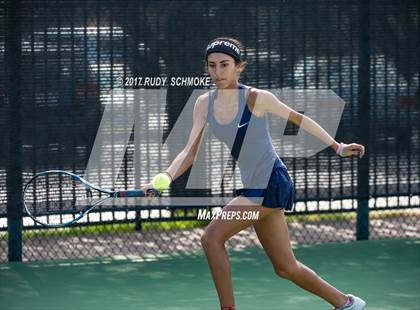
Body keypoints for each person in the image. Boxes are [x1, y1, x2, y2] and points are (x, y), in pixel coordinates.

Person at [142, 37, 366, 310]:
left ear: (239, 67)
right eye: (212, 66)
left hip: (271, 181)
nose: (218, 72)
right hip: (255, 185)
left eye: (225, 65)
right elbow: (189, 153)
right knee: (286, 267)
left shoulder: (257, 98)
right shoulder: (203, 103)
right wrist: (161, 179)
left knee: (211, 238)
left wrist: (338, 146)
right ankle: (347, 303)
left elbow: (299, 118)